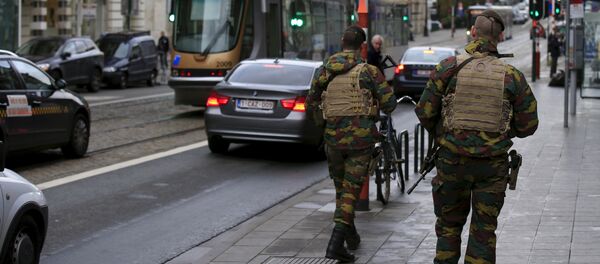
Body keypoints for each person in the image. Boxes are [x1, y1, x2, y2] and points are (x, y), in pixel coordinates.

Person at [415, 10, 539, 264]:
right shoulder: (512, 76)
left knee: (448, 228)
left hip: (451, 163)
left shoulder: (448, 68)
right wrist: (502, 130)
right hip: (492, 167)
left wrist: (445, 133)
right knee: (483, 233)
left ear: (473, 32)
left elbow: (425, 112)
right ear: (500, 37)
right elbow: (529, 125)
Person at [306, 25, 397, 262]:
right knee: (350, 193)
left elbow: (311, 102)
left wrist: (325, 124)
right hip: (360, 142)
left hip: (333, 141)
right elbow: (390, 105)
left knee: (342, 191)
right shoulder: (369, 71)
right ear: (362, 46)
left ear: (341, 42)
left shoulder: (324, 71)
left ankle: (352, 237)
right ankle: (335, 246)